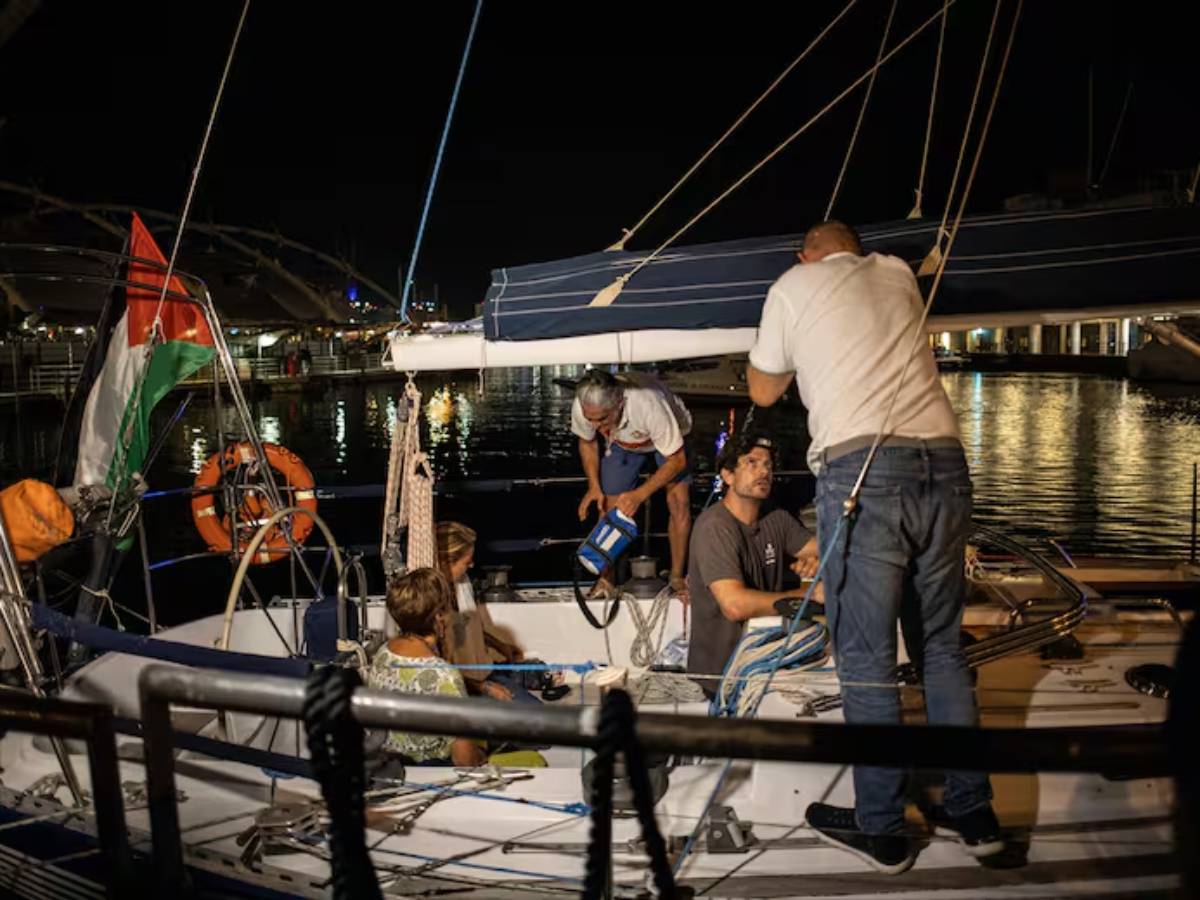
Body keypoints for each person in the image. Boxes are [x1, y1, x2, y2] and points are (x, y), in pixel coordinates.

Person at [747, 219, 1001, 873]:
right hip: (946, 466)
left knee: (864, 657)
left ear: (806, 254)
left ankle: (882, 827)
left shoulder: (793, 283)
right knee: (940, 648)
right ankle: (974, 814)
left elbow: (763, 389)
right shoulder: (896, 275)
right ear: (856, 251)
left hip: (864, 472)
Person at [685, 432, 820, 695]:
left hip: (765, 666)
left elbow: (825, 550)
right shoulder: (715, 527)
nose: (764, 471)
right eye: (752, 462)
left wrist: (818, 563)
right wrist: (807, 594)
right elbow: (734, 605)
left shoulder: (775, 517)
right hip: (722, 677)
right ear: (727, 475)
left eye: (768, 465)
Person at [572, 369, 694, 596]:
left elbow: (677, 461)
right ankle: (606, 580)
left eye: (602, 418)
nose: (596, 425)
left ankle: (677, 577)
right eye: (591, 419)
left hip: (670, 437)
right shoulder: (584, 406)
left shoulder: (648, 405)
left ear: (620, 403)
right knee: (607, 506)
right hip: (621, 441)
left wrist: (639, 495)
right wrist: (594, 486)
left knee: (679, 502)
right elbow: (587, 441)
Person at [367, 567, 486, 766]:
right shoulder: (444, 676)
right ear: (439, 616)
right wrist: (483, 757)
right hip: (433, 770)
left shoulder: (384, 652)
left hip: (390, 764)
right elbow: (465, 762)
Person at [436, 521, 542, 705]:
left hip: (485, 675)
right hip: (462, 688)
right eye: (467, 562)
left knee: (540, 712)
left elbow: (468, 628)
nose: (471, 565)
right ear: (446, 562)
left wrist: (500, 645)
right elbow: (438, 667)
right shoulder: (432, 601)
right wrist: (483, 687)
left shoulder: (463, 583)